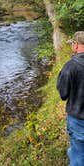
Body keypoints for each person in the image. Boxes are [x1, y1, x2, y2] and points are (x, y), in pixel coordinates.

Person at [57, 31, 84, 166]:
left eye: (72, 44)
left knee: (78, 154)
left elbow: (63, 94)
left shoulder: (70, 66)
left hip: (79, 120)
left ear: (76, 45)